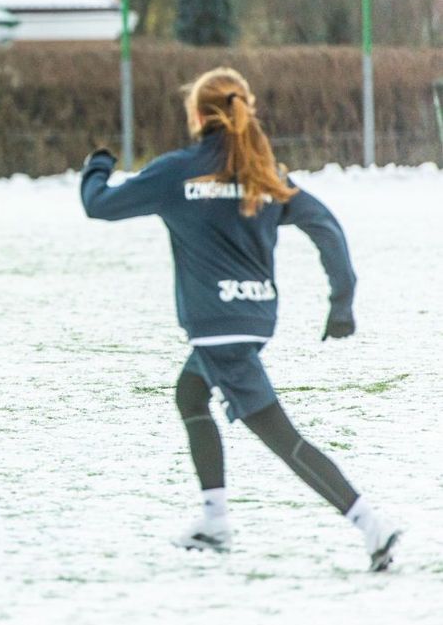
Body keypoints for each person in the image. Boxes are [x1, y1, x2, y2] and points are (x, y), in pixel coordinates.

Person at [79, 67, 400, 571]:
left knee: (282, 438)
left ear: (198, 115)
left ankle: (369, 525)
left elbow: (98, 206)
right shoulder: (262, 172)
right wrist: (342, 301)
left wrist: (97, 164)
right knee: (190, 393)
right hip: (252, 319)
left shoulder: (177, 171)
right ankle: (214, 519)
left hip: (217, 328)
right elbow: (327, 228)